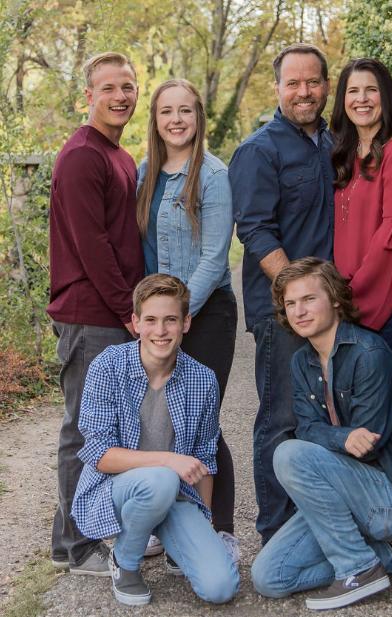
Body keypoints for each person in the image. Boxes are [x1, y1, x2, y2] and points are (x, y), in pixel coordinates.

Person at [251, 257, 392, 610]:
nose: (299, 311)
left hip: (389, 499)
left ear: (334, 299)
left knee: (288, 454)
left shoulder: (369, 354)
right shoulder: (302, 361)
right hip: (340, 492)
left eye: (309, 299)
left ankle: (358, 569)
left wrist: (336, 440)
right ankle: (390, 557)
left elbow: (366, 447)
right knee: (269, 577)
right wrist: (341, 438)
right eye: (291, 303)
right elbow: (306, 428)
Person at [71, 274, 240, 606]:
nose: (160, 331)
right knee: (161, 478)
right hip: (115, 490)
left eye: (170, 320)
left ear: (186, 323)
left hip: (174, 494)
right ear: (135, 323)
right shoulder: (108, 366)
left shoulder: (203, 380)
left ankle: (173, 540)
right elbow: (100, 453)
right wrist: (167, 460)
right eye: (150, 320)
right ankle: (126, 562)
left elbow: (205, 458)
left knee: (220, 587)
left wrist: (203, 524)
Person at [229, 43, 335, 544]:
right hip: (282, 312)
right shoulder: (259, 150)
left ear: (326, 87)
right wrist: (297, 297)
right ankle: (275, 530)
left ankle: (316, 524)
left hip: (331, 311)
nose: (303, 92)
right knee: (282, 417)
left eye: (312, 82)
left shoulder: (333, 144)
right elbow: (254, 230)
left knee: (325, 414)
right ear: (277, 89)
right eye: (293, 83)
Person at [47, 52, 144, 575]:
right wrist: (130, 311)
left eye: (127, 86)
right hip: (91, 314)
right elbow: (92, 246)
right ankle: (73, 547)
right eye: (108, 88)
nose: (120, 96)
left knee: (108, 428)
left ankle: (93, 528)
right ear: (89, 95)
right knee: (84, 431)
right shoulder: (83, 156)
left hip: (111, 313)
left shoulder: (118, 155)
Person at [136, 79, 238, 562]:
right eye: (165, 112)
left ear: (198, 117)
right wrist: (153, 317)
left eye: (185, 111)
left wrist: (181, 313)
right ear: (155, 122)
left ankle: (219, 528)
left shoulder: (213, 175)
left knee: (201, 420)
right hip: (162, 317)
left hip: (207, 312)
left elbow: (215, 258)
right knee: (160, 421)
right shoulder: (145, 175)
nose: (176, 120)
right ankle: (168, 523)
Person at [331, 57, 392, 393]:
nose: (362, 98)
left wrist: (348, 296)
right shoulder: (345, 155)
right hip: (355, 305)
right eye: (353, 90)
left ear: (385, 96)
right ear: (343, 99)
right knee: (362, 423)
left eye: (371, 90)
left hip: (390, 304)